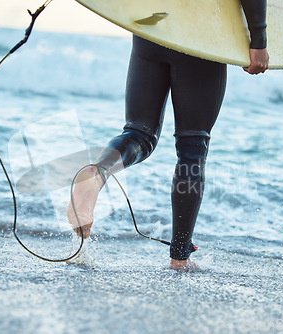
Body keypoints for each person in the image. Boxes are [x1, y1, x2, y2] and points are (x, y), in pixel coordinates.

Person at [67, 0, 269, 271]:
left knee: (139, 133)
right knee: (192, 147)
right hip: (201, 32)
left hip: (152, 26)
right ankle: (179, 257)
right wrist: (259, 39)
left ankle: (98, 172)